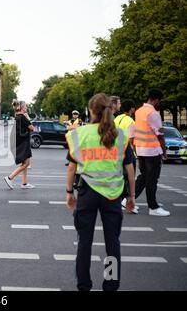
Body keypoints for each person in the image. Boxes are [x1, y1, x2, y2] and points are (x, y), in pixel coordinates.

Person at [65, 93, 136, 291]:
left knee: (84, 243)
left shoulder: (80, 134)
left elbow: (71, 168)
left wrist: (69, 192)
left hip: (87, 193)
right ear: (110, 109)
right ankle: (110, 284)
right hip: (113, 195)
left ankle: (84, 284)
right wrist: (131, 196)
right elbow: (130, 169)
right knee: (112, 243)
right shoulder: (120, 135)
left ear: (90, 111)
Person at [134, 89, 170, 217]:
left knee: (144, 177)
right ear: (156, 100)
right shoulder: (153, 113)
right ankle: (153, 207)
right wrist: (164, 152)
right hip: (152, 150)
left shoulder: (139, 111)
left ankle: (127, 199)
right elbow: (160, 134)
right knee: (152, 179)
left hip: (140, 148)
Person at [4, 100, 35, 189]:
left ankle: (24, 183)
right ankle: (10, 177)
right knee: (26, 163)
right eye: (25, 106)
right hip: (22, 143)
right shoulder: (22, 117)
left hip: (20, 142)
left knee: (25, 162)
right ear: (21, 107)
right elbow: (32, 128)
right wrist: (28, 117)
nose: (26, 107)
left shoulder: (18, 117)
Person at [114, 100, 138, 214]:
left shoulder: (117, 118)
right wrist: (135, 152)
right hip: (127, 150)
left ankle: (118, 200)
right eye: (134, 108)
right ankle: (128, 200)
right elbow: (132, 139)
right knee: (130, 177)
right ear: (131, 109)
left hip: (116, 150)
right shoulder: (130, 121)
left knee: (120, 177)